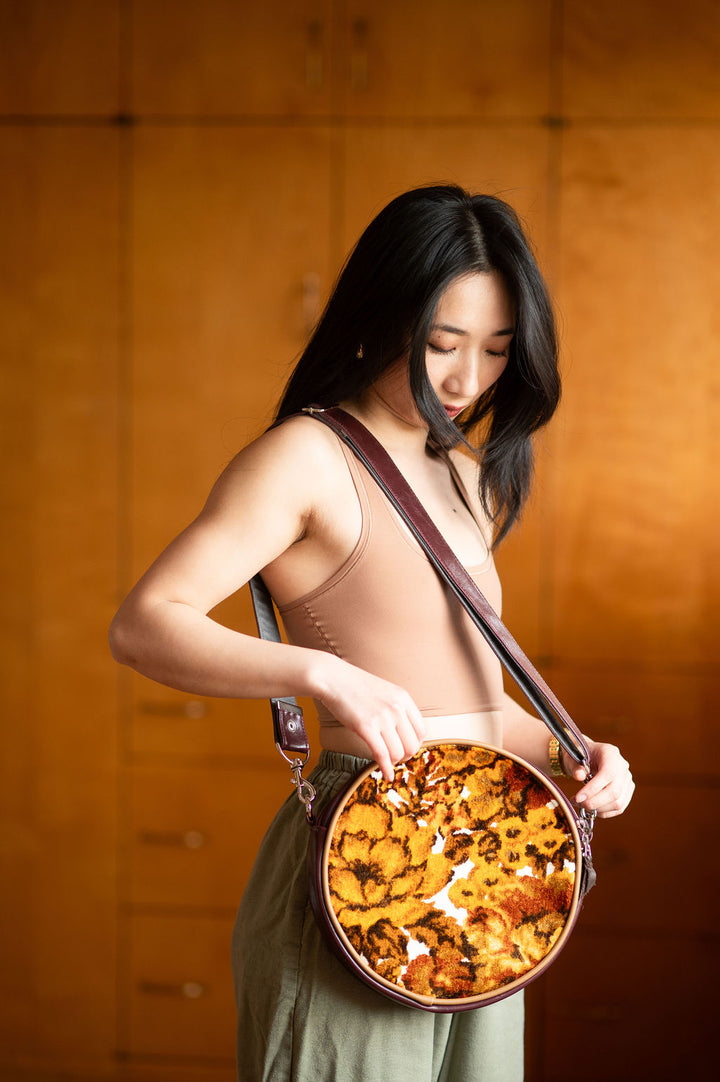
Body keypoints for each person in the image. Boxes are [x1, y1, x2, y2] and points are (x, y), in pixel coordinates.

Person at [109, 184, 634, 1082]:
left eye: (497, 351)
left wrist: (571, 749)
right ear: (377, 315)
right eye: (442, 345)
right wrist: (323, 674)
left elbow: (462, 706)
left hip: (491, 867)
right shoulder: (306, 457)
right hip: (367, 857)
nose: (468, 381)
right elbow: (144, 624)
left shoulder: (464, 474)